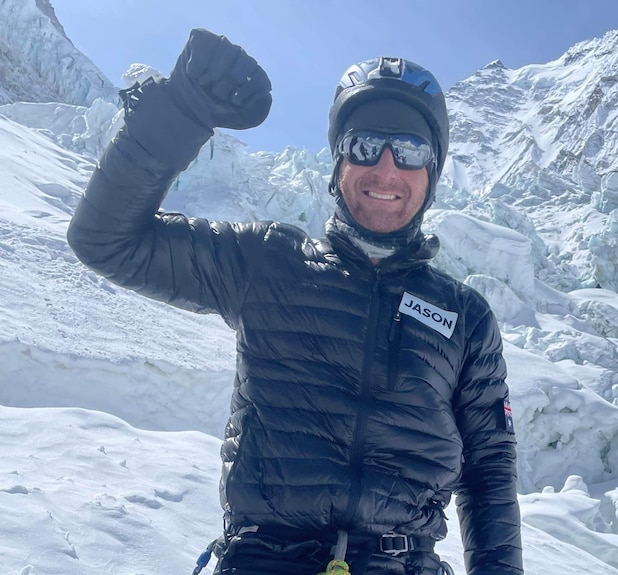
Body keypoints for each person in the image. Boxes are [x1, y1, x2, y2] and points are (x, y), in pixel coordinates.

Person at [67, 28, 523, 575]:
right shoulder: (267, 261)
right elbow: (106, 240)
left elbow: (489, 469)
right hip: (263, 560)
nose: (385, 169)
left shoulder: (465, 318)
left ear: (431, 173)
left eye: (409, 151)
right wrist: (181, 111)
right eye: (363, 145)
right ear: (337, 164)